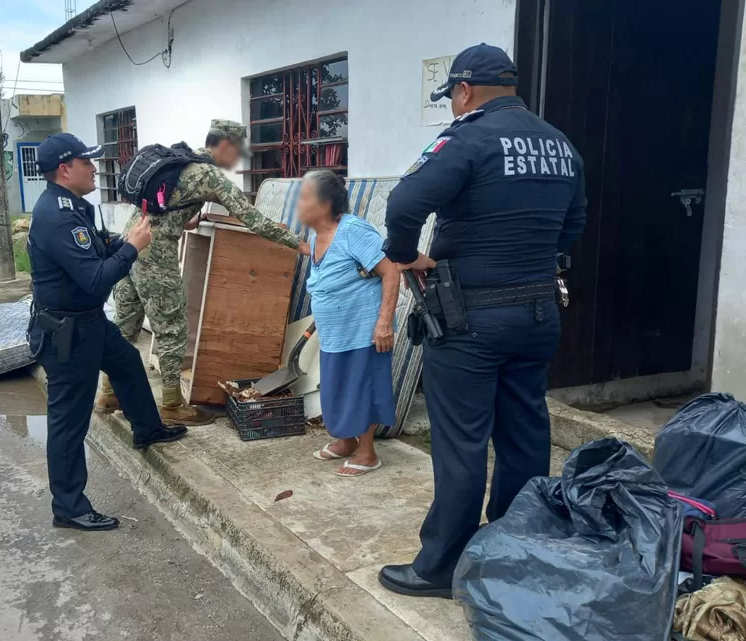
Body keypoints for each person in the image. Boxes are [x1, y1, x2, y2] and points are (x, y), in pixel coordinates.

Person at [377, 44, 587, 597]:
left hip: (470, 318)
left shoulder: (468, 136)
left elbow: (402, 205)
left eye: (451, 97)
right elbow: (575, 223)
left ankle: (441, 568)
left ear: (464, 92)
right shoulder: (560, 145)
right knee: (524, 437)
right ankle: (513, 553)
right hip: (539, 311)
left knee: (463, 443)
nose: (451, 105)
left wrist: (403, 253)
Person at [96, 119, 310, 425]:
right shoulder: (209, 175)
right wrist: (296, 243)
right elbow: (251, 218)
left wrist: (185, 221)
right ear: (225, 145)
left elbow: (164, 207)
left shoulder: (181, 161)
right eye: (237, 152)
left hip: (130, 243)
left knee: (125, 325)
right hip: (155, 253)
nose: (237, 160)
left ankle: (108, 394)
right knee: (172, 329)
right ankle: (172, 405)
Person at [27, 133, 188, 532]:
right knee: (68, 422)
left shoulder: (73, 207)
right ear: (66, 169)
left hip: (87, 322)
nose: (95, 168)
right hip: (69, 333)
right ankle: (68, 507)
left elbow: (95, 248)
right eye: (87, 162)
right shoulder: (58, 215)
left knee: (128, 362)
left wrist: (121, 240)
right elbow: (96, 280)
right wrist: (132, 248)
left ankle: (147, 429)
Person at [298, 170, 399, 477]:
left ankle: (367, 453)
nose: (298, 205)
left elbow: (391, 271)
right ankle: (345, 442)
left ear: (325, 204)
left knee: (360, 388)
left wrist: (384, 323)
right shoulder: (317, 237)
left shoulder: (354, 231)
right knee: (336, 387)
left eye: (304, 197)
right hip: (335, 334)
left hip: (362, 330)